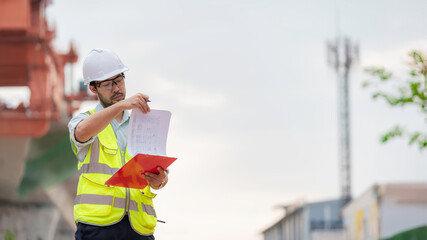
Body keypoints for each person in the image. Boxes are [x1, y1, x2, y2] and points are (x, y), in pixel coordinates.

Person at [68, 49, 168, 240]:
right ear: (93, 88)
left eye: (119, 80)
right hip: (98, 228)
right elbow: (81, 133)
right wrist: (121, 106)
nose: (116, 88)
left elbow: (160, 172)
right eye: (107, 84)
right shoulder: (84, 121)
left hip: (139, 228)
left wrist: (161, 181)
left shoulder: (143, 124)